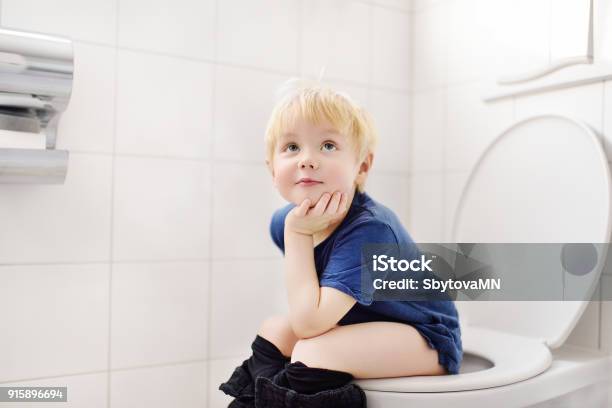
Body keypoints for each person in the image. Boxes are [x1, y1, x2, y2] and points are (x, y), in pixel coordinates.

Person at [220, 79, 462, 408]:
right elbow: (308, 302)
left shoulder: (370, 231)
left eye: (328, 145)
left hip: (425, 336)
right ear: (272, 169)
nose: (307, 159)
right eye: (292, 147)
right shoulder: (284, 222)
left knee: (312, 350)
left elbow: (309, 322)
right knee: (276, 330)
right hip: (359, 323)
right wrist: (297, 232)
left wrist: (299, 235)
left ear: (361, 167)